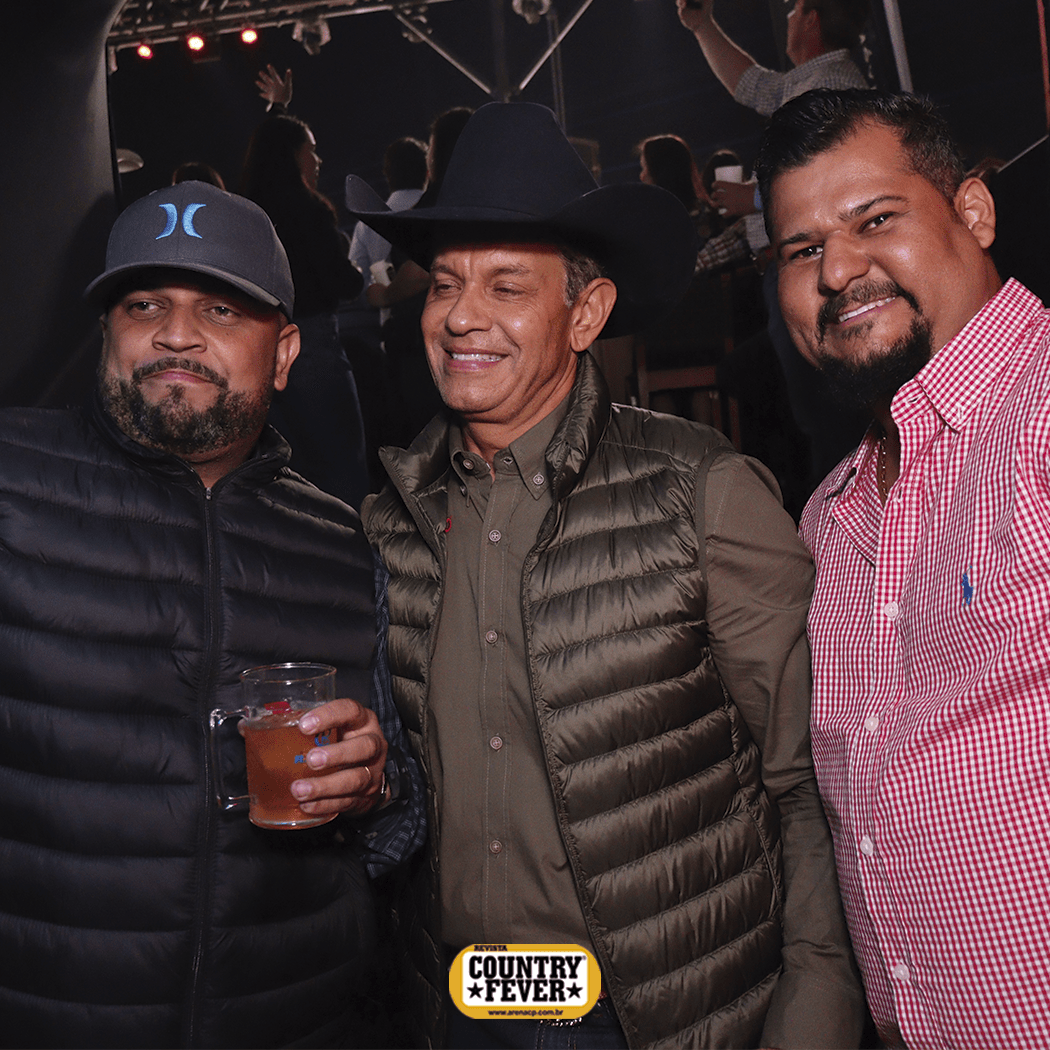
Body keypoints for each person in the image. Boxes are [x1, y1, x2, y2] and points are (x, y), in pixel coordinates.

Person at [347, 101, 863, 1049]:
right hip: (454, 1009)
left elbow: (813, 784)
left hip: (654, 1014)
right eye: (445, 284)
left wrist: (816, 1012)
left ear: (585, 314)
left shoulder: (701, 495)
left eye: (507, 286)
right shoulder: (390, 523)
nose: (460, 316)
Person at [0, 179, 425, 1048]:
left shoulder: (347, 545)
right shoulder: (12, 484)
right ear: (108, 333)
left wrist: (374, 786)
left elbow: (399, 819)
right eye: (144, 304)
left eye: (221, 310)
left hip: (298, 1020)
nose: (176, 334)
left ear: (285, 352)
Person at [756, 87, 1050, 1049]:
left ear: (973, 211)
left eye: (875, 219)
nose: (839, 269)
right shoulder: (830, 516)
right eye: (802, 250)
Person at [677, 0, 871, 505]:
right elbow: (751, 84)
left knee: (825, 415)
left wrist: (756, 199)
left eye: (793, 9)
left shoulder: (831, 83)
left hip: (817, 271)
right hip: (796, 270)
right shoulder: (813, 81)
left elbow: (838, 176)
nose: (786, 19)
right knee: (809, 411)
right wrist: (703, 25)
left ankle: (838, 527)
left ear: (811, 18)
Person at [240, 69, 369, 507]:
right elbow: (340, 281)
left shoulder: (249, 214)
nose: (318, 160)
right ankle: (350, 547)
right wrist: (357, 272)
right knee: (341, 466)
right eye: (311, 151)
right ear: (294, 157)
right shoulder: (310, 212)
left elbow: (270, 143)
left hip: (260, 351)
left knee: (287, 473)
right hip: (313, 344)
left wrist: (280, 108)